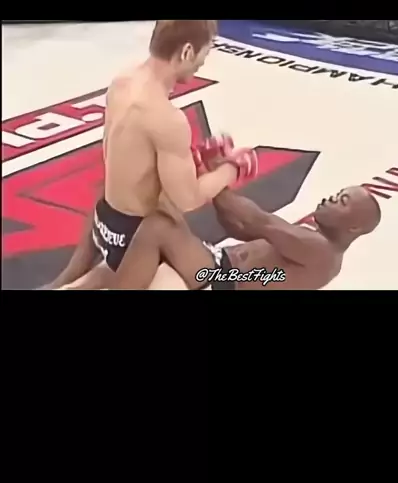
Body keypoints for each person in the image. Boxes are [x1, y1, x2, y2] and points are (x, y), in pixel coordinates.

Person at [43, 20, 247, 290]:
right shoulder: (166, 118)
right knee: (201, 276)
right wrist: (233, 169)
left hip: (105, 221)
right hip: (136, 239)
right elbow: (187, 198)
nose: (202, 63)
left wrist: (193, 160)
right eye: (204, 53)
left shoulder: (122, 82)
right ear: (187, 51)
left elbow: (134, 162)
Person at [93, 146, 382, 292]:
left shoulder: (323, 253)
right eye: (337, 194)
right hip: (217, 264)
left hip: (222, 279)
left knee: (157, 226)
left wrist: (219, 175)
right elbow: (239, 227)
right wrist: (214, 182)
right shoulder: (312, 238)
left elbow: (256, 220)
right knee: (156, 209)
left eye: (342, 201)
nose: (330, 198)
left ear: (354, 226)